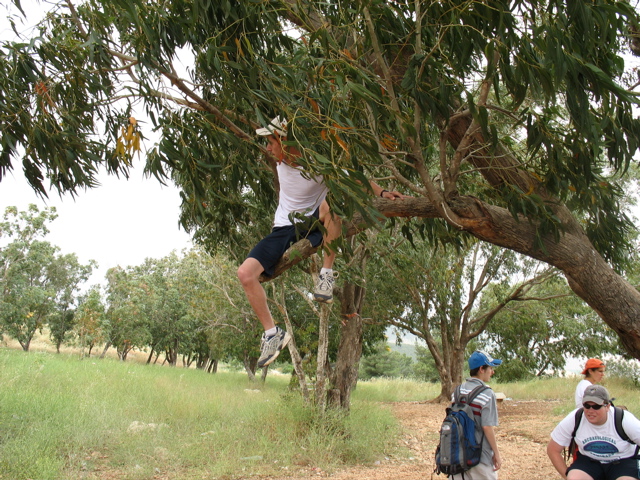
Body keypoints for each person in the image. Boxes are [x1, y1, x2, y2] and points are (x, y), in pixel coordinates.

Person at [237, 116, 407, 368]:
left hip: (314, 223)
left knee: (332, 207)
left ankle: (326, 275)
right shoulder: (281, 162)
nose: (268, 149)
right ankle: (273, 334)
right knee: (245, 274)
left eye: (271, 142)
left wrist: (382, 192)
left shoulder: (319, 164)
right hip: (284, 228)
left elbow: (356, 178)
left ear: (285, 141)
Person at [547, 384, 640, 480]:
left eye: (596, 406)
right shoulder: (576, 418)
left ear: (607, 406)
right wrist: (566, 476)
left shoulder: (624, 419)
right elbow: (553, 449)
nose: (590, 410)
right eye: (587, 406)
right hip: (589, 461)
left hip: (623, 461)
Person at [450, 351, 503, 480]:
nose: (492, 372)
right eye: (490, 368)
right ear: (481, 369)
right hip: (479, 456)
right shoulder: (487, 394)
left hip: (456, 454)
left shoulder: (457, 391)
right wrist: (496, 453)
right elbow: (487, 427)